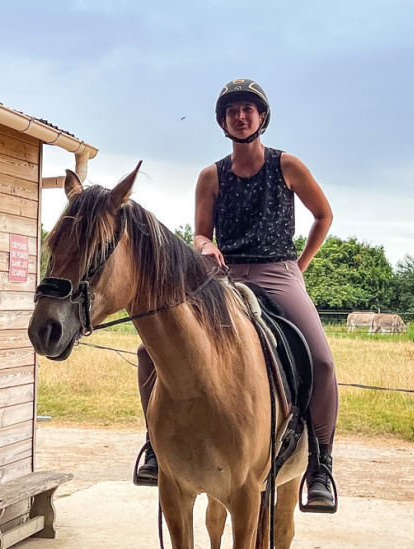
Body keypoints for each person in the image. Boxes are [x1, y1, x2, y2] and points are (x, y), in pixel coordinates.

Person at [135, 78, 339, 509]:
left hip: (278, 271)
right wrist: (206, 247)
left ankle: (320, 464)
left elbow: (323, 215)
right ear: (223, 121)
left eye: (248, 109)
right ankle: (155, 446)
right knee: (147, 350)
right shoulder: (211, 175)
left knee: (320, 358)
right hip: (223, 277)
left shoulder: (288, 165)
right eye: (232, 111)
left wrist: (298, 268)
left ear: (262, 117)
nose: (241, 116)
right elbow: (201, 234)